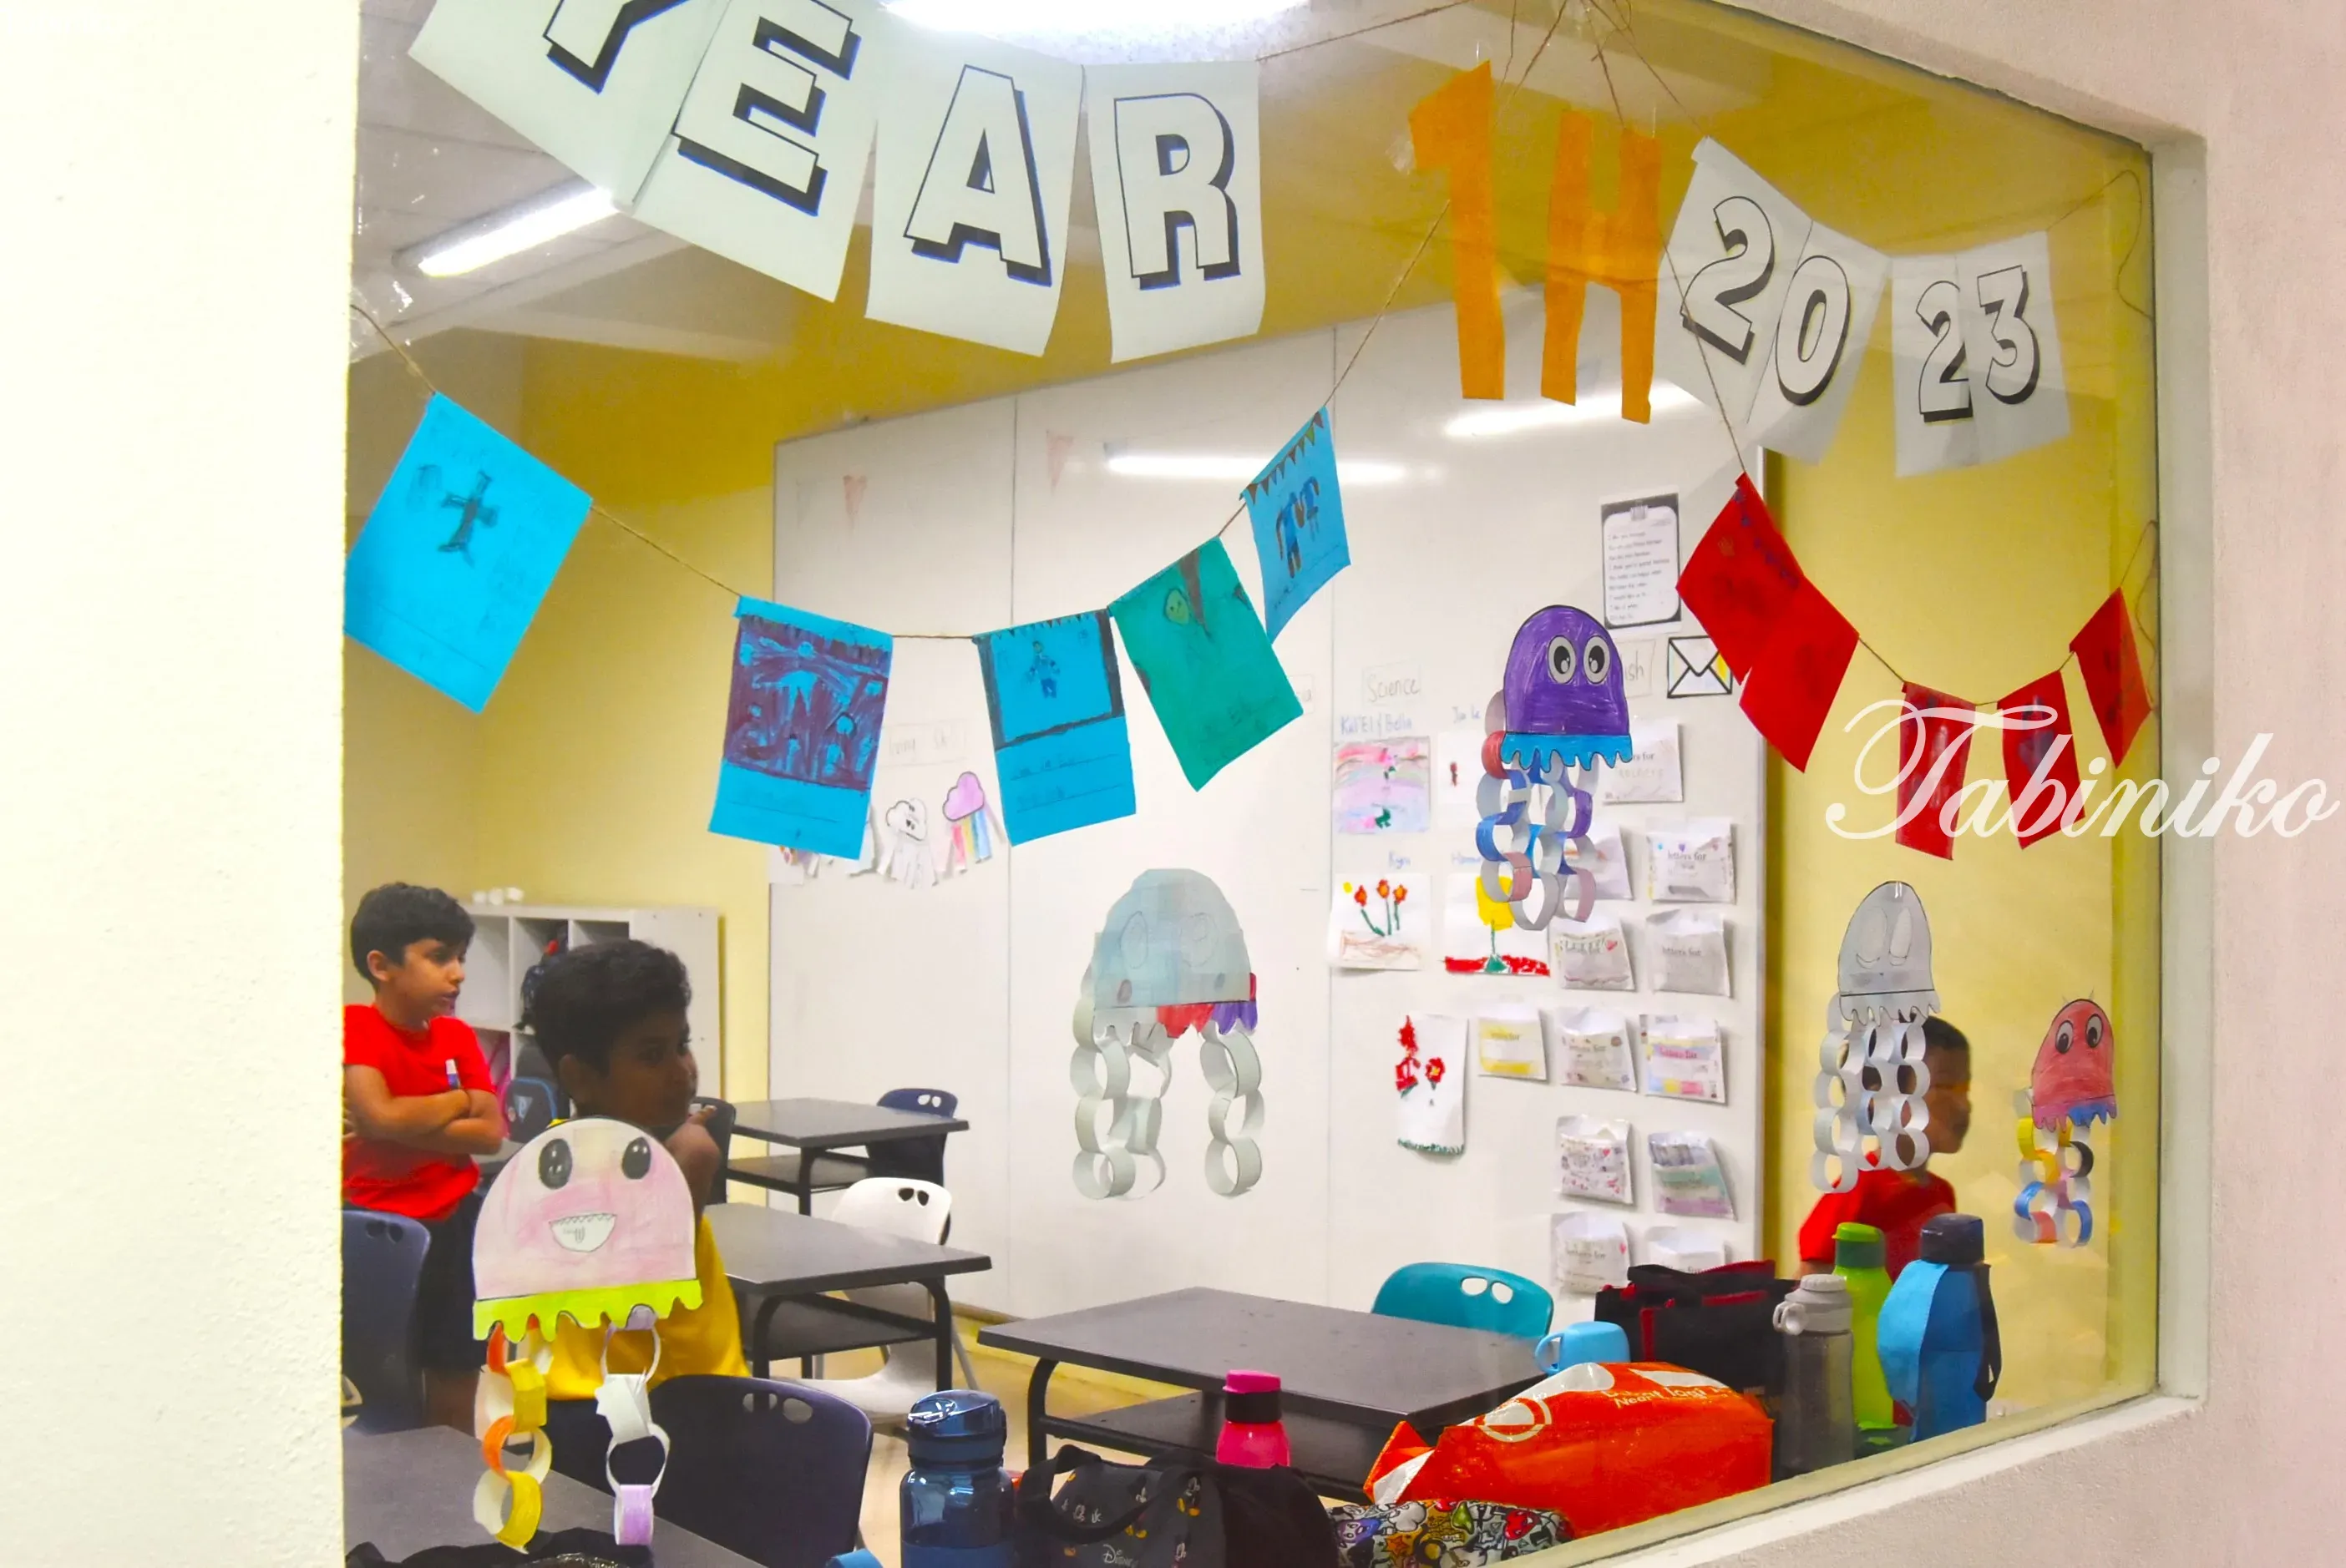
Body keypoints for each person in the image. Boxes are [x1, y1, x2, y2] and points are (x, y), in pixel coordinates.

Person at [523, 940, 746, 1478]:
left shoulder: (609, 1153)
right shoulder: (580, 1172)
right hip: (627, 1421)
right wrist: (687, 1176)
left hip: (687, 1401)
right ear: (580, 1077)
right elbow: (641, 1286)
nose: (681, 1071)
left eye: (681, 1045)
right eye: (651, 1056)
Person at [342, 883, 506, 1429]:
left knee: (455, 1366)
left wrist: (402, 1121)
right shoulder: (356, 1027)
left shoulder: (456, 1035)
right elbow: (377, 1118)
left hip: (452, 1223)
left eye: (460, 958)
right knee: (384, 1371)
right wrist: (458, 1102)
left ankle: (450, 1469)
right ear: (381, 966)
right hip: (375, 1228)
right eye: (439, 958)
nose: (458, 974)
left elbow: (489, 1133)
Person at [1798, 1017, 1974, 1277]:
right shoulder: (1857, 1192)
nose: (1964, 1105)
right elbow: (1808, 1287)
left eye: (1965, 1088)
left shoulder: (1942, 1194)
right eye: (1945, 1087)